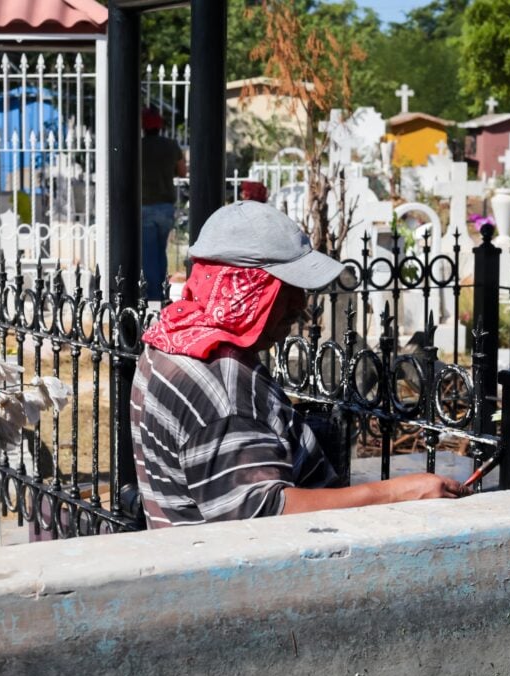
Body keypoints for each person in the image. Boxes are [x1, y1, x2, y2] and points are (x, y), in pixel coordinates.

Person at [130, 201, 470, 528]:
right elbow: (265, 519)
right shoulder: (224, 388)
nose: (301, 305)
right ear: (242, 290)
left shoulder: (169, 341)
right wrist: (399, 492)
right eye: (285, 288)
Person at [141, 107, 187, 300]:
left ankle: (153, 297)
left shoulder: (139, 146)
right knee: (161, 252)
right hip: (166, 207)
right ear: (160, 126)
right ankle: (161, 291)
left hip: (145, 206)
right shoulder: (171, 146)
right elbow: (183, 172)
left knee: (149, 254)